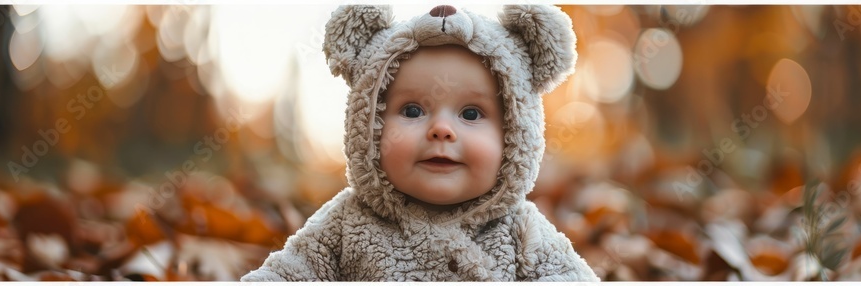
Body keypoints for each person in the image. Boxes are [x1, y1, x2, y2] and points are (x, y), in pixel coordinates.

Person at [241, 4, 597, 281]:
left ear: (515, 135)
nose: (441, 130)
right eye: (412, 110)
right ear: (369, 124)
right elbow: (288, 274)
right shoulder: (345, 224)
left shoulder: (521, 230)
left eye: (471, 114)